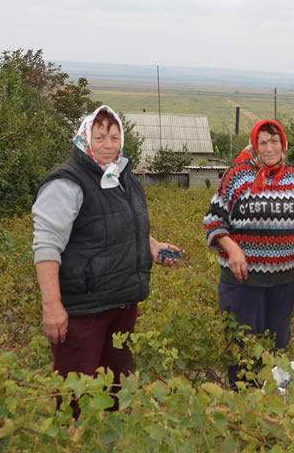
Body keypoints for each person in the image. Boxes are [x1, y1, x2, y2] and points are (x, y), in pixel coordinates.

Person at [32, 105, 180, 415]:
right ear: (84, 139)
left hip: (121, 304)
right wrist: (52, 306)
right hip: (84, 310)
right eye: (99, 137)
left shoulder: (122, 177)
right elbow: (46, 246)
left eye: (114, 136)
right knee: (76, 392)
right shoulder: (66, 183)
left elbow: (123, 225)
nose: (109, 144)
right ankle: (72, 442)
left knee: (114, 387)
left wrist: (153, 246)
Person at [203, 119, 294, 356]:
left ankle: (273, 391)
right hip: (242, 281)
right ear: (254, 146)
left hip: (284, 282)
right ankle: (241, 393)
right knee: (242, 347)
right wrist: (233, 248)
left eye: (274, 141)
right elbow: (214, 221)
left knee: (277, 346)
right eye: (263, 142)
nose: (269, 148)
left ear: (283, 144)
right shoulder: (236, 175)